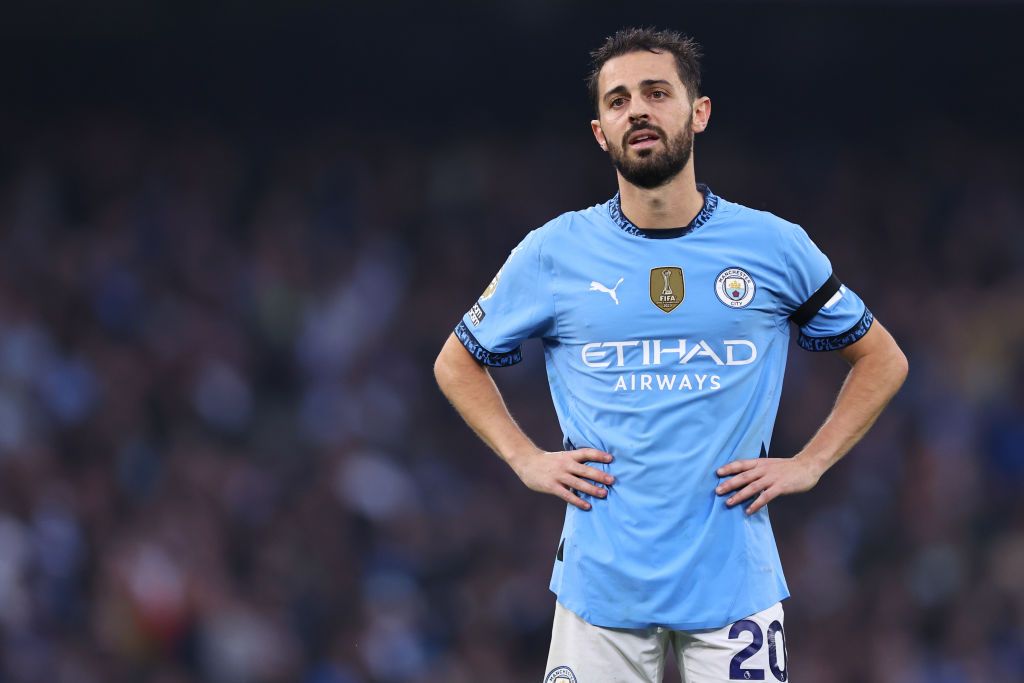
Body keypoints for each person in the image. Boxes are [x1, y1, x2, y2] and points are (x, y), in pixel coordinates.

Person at [433, 27, 908, 683]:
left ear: (699, 112)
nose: (638, 111)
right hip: (600, 592)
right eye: (619, 100)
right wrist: (524, 457)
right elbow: (457, 360)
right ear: (600, 131)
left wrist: (811, 462)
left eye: (657, 93)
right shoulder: (554, 251)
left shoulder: (773, 245)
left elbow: (882, 357)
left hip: (734, 589)